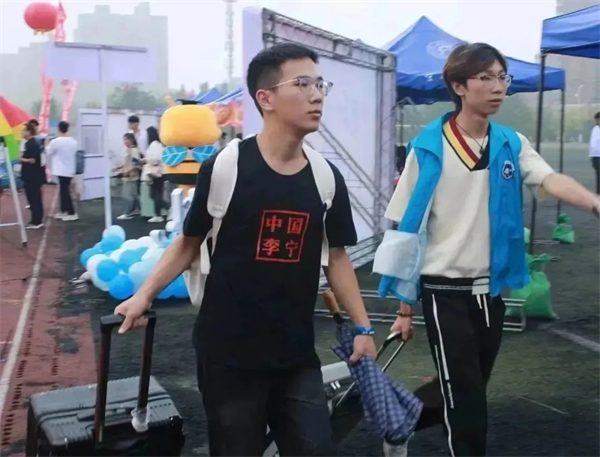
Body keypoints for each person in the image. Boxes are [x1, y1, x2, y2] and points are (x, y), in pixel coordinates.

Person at [114, 43, 377, 456]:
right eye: (302, 84)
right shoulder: (226, 167)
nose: (317, 95)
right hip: (228, 357)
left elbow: (337, 257)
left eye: (320, 84)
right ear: (265, 98)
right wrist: (143, 296)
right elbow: (188, 241)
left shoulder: (326, 178)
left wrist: (363, 328)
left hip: (295, 355)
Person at [376, 43, 600, 457]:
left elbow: (549, 180)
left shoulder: (510, 142)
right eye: (486, 78)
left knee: (469, 385)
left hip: (491, 290)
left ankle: (402, 420)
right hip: (443, 290)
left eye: (501, 77)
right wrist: (404, 307)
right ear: (458, 86)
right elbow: (406, 229)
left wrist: (593, 201)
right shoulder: (428, 147)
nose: (498, 87)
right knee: (467, 400)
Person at [46, 121, 79, 221]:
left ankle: (71, 212)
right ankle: (63, 211)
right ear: (68, 129)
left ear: (58, 129)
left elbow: (48, 152)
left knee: (65, 192)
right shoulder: (74, 142)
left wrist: (47, 143)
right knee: (64, 191)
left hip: (61, 170)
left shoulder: (56, 141)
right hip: (70, 169)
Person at [141, 126, 168, 223]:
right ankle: (161, 212)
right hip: (160, 172)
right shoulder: (158, 145)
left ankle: (165, 209)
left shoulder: (154, 145)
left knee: (155, 194)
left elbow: (156, 159)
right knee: (156, 193)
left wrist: (146, 160)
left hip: (156, 172)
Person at [20, 123, 45, 229]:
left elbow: (33, 160)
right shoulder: (30, 143)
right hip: (32, 176)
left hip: (32, 177)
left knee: (34, 199)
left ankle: (36, 221)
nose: (21, 133)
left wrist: (22, 159)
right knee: (34, 199)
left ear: (29, 132)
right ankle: (37, 219)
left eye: (23, 131)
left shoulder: (32, 144)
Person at [115, 133, 141, 220]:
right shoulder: (127, 150)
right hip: (127, 175)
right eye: (124, 140)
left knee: (127, 195)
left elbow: (136, 164)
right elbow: (126, 161)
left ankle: (127, 212)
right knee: (133, 194)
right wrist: (118, 167)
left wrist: (128, 171)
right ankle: (136, 210)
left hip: (131, 176)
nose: (125, 142)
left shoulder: (134, 150)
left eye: (127, 139)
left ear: (132, 140)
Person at [590, 112, 600, 194]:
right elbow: (593, 144)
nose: (596, 122)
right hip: (596, 156)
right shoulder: (595, 129)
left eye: (597, 120)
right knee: (598, 175)